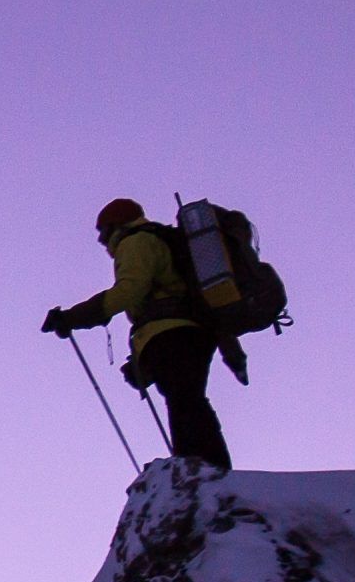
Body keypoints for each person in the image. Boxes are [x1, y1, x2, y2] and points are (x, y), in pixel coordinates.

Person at [43, 198, 232, 470]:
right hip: (188, 331)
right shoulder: (154, 239)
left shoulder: (135, 241)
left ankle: (202, 469)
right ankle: (204, 467)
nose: (100, 239)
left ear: (115, 224)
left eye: (102, 230)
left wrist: (73, 317)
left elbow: (130, 291)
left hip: (171, 333)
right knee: (186, 399)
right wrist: (142, 360)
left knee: (184, 401)